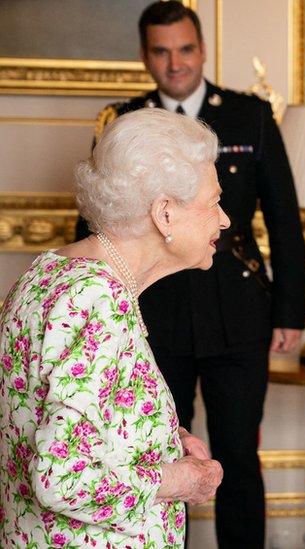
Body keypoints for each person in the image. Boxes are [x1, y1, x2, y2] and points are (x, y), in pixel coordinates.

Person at [74, 3, 305, 546]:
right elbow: (95, 223)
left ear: (201, 49)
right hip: (153, 313)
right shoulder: (122, 125)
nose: (174, 63)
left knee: (237, 458)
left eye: (184, 49)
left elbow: (285, 220)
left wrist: (289, 311)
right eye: (161, 51)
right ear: (145, 56)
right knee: (150, 456)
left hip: (238, 311)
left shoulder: (249, 116)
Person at [0, 108, 225, 548]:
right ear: (164, 214)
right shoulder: (96, 300)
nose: (225, 219)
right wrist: (179, 479)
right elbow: (60, 477)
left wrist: (166, 436)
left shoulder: (51, 271)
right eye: (214, 202)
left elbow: (68, 413)